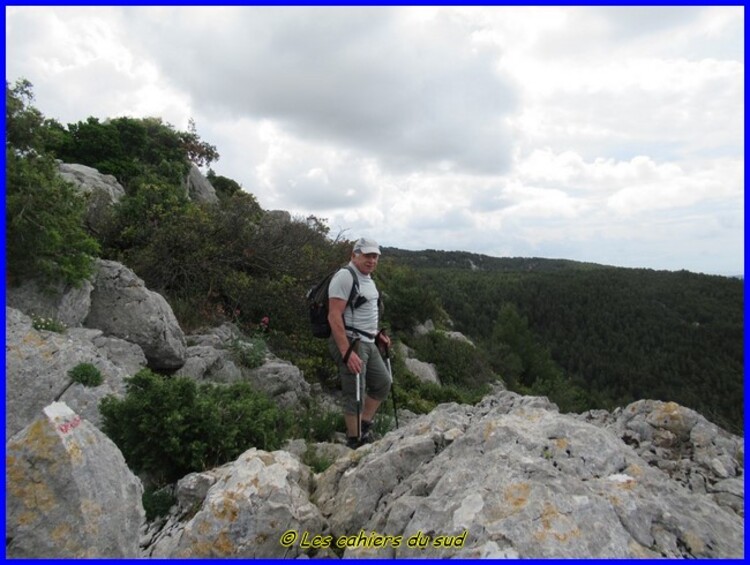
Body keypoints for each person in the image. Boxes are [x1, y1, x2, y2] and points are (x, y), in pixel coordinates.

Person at [328, 237, 391, 449]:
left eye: (375, 256)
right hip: (351, 342)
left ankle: (362, 425)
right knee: (355, 391)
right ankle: (354, 441)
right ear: (354, 255)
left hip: (368, 341)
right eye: (367, 255)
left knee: (383, 383)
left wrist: (377, 334)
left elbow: (366, 311)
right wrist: (346, 352)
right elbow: (334, 316)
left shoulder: (369, 279)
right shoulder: (345, 277)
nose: (372, 260)